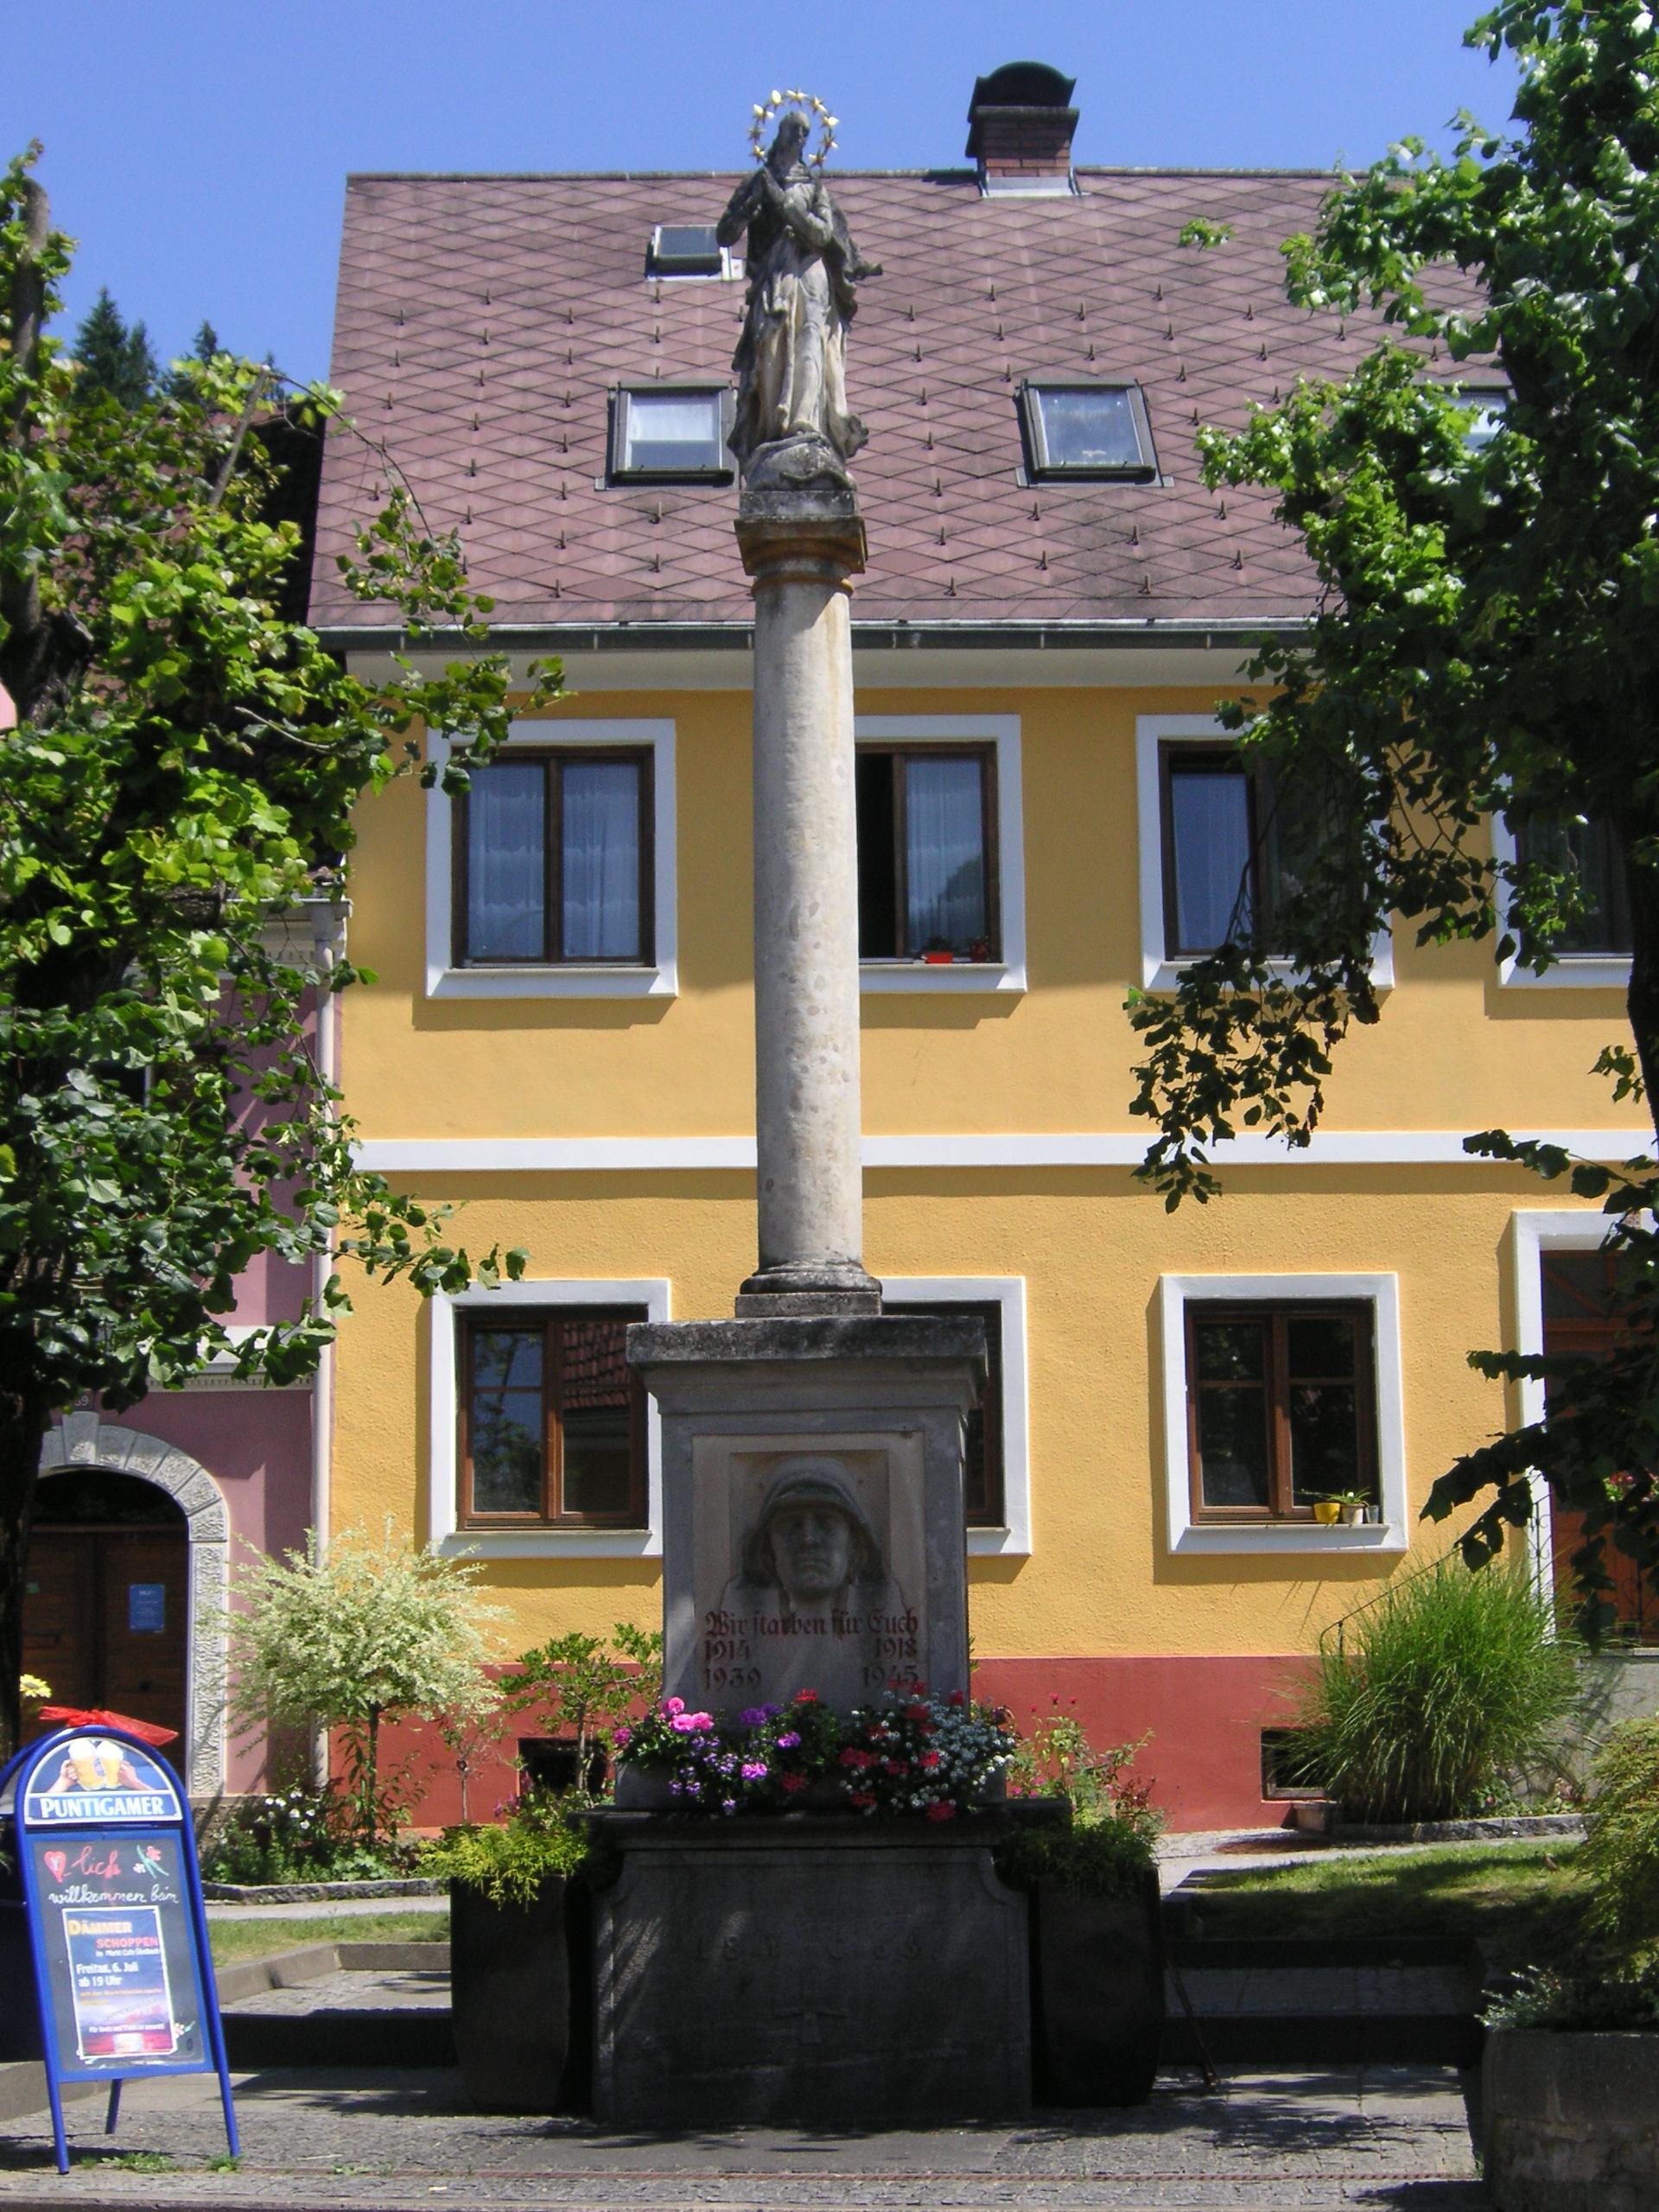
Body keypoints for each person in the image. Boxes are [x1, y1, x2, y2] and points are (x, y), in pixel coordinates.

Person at [715, 111, 880, 479]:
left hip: (810, 272)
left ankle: (806, 423)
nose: (801, 139)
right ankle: (774, 430)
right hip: (774, 277)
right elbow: (724, 234)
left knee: (811, 342)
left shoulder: (813, 186)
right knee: (771, 344)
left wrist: (784, 204)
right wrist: (749, 208)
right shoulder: (759, 181)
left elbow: (823, 235)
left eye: (807, 133)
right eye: (795, 131)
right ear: (780, 133)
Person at [717, 1457, 915, 1707]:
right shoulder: (735, 1611)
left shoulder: (887, 1607)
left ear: (854, 1543)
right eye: (792, 1524)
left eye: (826, 1522)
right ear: (767, 1548)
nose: (809, 1539)